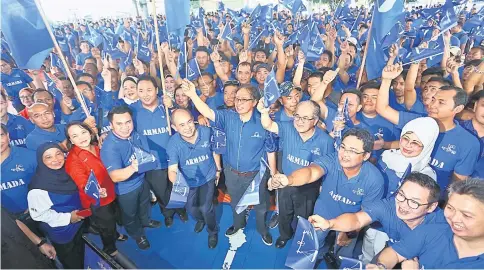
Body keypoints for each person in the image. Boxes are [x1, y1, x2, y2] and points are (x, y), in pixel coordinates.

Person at [183, 79, 275, 245]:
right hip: (232, 173)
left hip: (257, 175)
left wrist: (273, 174)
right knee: (236, 203)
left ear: (254, 102)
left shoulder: (263, 122)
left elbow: (270, 149)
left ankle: (263, 230)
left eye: (243, 99)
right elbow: (209, 112)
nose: (238, 102)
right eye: (237, 99)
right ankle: (238, 225)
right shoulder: (228, 117)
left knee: (261, 206)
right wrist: (192, 95)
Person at [269, 128, 384, 259]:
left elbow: (364, 215)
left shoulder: (374, 180)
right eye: (343, 147)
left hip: (349, 221)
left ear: (366, 155)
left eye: (352, 151)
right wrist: (289, 179)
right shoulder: (332, 160)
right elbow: (311, 172)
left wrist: (351, 232)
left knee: (342, 254)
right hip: (322, 215)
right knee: (310, 250)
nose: (344, 154)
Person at [377, 63, 480, 198]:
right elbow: (383, 109)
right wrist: (386, 80)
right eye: (433, 100)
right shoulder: (418, 122)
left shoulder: (469, 143)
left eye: (441, 102)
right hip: (394, 192)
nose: (432, 105)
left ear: (458, 109)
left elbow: (457, 184)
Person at [309, 172, 444, 264]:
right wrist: (330, 223)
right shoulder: (387, 206)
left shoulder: (441, 229)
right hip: (393, 252)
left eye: (414, 202)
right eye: (401, 195)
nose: (403, 204)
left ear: (431, 207)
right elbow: (357, 219)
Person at [259, 100, 334, 248]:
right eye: (297, 116)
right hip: (285, 182)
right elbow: (268, 125)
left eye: (305, 118)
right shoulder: (288, 128)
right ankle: (284, 235)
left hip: (308, 188)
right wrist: (263, 112)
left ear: (316, 120)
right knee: (284, 213)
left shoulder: (326, 141)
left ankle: (302, 240)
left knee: (304, 217)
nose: (299, 121)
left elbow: (328, 170)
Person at [368, 179, 484, 269]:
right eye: (450, 208)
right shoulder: (431, 232)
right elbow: (394, 253)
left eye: (466, 215)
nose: (454, 218)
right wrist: (382, 266)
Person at [130, 76, 187, 228]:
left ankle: (181, 209)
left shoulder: (166, 106)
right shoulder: (133, 110)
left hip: (173, 158)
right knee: (161, 192)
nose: (145, 94)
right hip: (151, 163)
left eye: (149, 90)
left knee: (177, 186)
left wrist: (173, 106)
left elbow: (183, 120)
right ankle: (167, 213)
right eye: (141, 90)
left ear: (157, 90)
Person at [100, 105, 160, 250]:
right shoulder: (109, 147)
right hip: (126, 189)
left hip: (141, 180)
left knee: (144, 205)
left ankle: (145, 221)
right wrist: (133, 166)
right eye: (119, 124)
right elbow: (114, 176)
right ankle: (137, 234)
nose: (125, 127)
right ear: (111, 125)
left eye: (128, 122)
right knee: (130, 215)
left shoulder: (134, 134)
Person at [65, 121, 127, 258]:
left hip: (111, 190)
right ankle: (110, 249)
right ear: (70, 140)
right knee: (106, 225)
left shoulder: (96, 146)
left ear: (90, 132)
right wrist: (95, 191)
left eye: (83, 132)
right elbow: (81, 181)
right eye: (75, 136)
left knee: (113, 217)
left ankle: (115, 234)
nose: (81, 138)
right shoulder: (72, 159)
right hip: (97, 199)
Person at [0, 125, 57, 262]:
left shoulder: (30, 156)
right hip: (11, 226)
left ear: (8, 136)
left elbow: (50, 183)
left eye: (0, 135)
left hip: (41, 214)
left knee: (57, 250)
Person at [167, 109, 220, 248]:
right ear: (174, 128)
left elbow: (215, 151)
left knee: (205, 208)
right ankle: (200, 220)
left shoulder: (206, 132)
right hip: (188, 182)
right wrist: (179, 184)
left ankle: (212, 231)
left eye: (189, 122)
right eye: (182, 125)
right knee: (191, 209)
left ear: (193, 120)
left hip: (208, 176)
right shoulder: (173, 143)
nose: (187, 127)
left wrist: (218, 169)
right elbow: (172, 170)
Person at [27, 143, 85, 269]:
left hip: (79, 223)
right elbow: (38, 215)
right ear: (41, 161)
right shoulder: (38, 189)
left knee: (81, 252)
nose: (55, 160)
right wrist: (69, 218)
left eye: (58, 154)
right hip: (63, 233)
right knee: (72, 263)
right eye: (48, 157)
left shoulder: (68, 171)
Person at [378, 117, 439, 197]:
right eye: (406, 138)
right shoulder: (386, 156)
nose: (408, 145)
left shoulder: (426, 176)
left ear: (426, 146)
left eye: (415, 143)